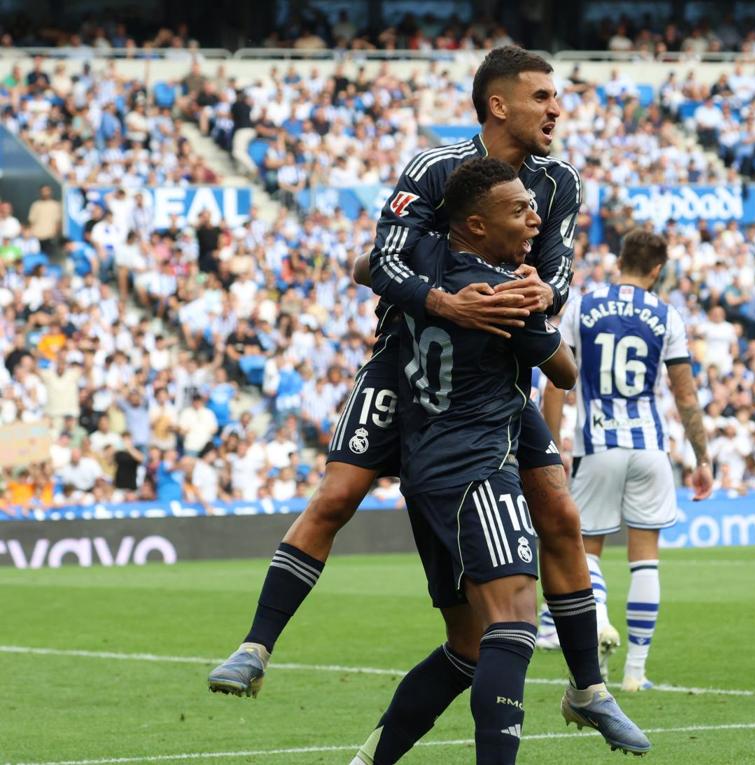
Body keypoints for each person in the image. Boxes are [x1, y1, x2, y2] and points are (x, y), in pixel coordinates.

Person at [208, 46, 647, 753]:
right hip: (403, 362)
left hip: (490, 379)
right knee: (338, 495)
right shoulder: (433, 168)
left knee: (561, 512)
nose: (556, 109)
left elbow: (558, 270)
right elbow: (377, 260)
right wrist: (445, 302)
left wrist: (544, 294)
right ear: (499, 104)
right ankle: (256, 646)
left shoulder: (559, 180)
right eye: (542, 97)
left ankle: (589, 687)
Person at [350, 158, 603, 765]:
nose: (535, 218)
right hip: (477, 470)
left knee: (466, 646)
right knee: (514, 622)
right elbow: (565, 371)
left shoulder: (424, 263)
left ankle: (368, 762)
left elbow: (368, 267)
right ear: (477, 225)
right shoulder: (502, 291)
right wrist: (534, 302)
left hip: (425, 472)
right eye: (519, 210)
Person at [539, 230, 713, 692]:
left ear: (620, 261)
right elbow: (685, 394)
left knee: (585, 548)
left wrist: (550, 448)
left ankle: (597, 618)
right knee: (646, 559)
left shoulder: (584, 306)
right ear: (657, 270)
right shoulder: (665, 314)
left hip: (599, 445)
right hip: (650, 446)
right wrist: (703, 457)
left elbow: (557, 382)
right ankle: (636, 673)